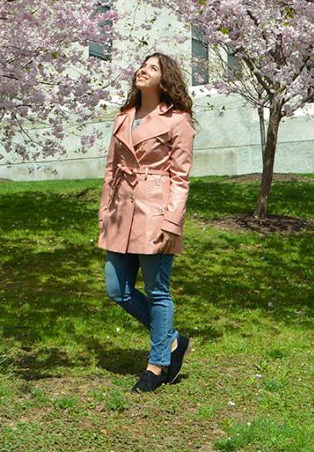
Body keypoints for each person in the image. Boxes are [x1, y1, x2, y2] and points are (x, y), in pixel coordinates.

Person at [98, 51, 196, 393]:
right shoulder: (123, 117)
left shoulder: (178, 120)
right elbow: (111, 169)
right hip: (120, 211)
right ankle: (171, 341)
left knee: (157, 291)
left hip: (155, 210)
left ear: (164, 78)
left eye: (152, 67)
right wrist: (103, 212)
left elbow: (181, 178)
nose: (143, 70)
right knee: (116, 290)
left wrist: (172, 221)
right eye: (142, 65)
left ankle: (156, 365)